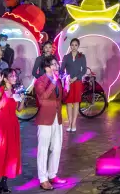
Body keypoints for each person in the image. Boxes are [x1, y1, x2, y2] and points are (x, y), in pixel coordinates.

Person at [34, 56, 64, 190]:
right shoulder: (40, 81)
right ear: (46, 67)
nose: (56, 66)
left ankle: (52, 174)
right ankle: (43, 178)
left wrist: (66, 85)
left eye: (57, 64)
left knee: (57, 148)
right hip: (45, 119)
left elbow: (61, 99)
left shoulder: (58, 81)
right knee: (43, 149)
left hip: (57, 118)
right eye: (53, 64)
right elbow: (43, 98)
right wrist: (53, 82)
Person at [62, 38, 87, 132]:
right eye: (72, 45)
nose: (74, 47)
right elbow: (61, 70)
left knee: (76, 102)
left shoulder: (82, 56)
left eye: (76, 45)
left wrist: (76, 77)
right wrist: (66, 78)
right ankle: (69, 122)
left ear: (78, 46)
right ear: (70, 46)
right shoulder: (66, 57)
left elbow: (84, 70)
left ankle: (74, 123)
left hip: (77, 82)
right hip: (68, 82)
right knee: (69, 103)